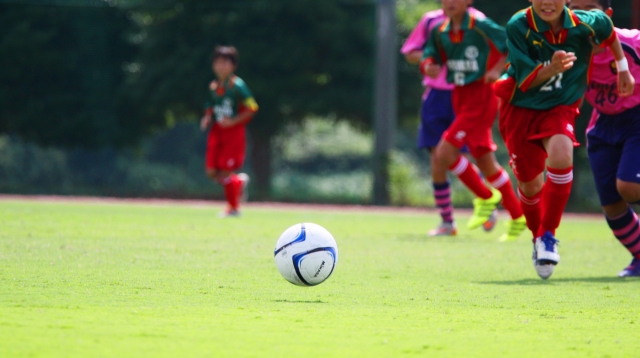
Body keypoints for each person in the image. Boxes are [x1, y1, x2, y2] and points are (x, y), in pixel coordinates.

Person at [494, 0, 634, 279]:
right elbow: (526, 80)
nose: (548, 3)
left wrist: (622, 68)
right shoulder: (518, 25)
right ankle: (537, 237)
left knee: (561, 155)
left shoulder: (582, 21)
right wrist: (552, 69)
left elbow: (608, 31)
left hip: (559, 106)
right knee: (531, 184)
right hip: (520, 107)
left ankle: (548, 235)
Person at [421, 0, 526, 242]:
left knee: (444, 153)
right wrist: (429, 66)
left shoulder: (479, 24)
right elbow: (430, 54)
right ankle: (518, 215)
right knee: (485, 161)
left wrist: (498, 68)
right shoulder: (441, 30)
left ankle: (486, 197)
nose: (450, 2)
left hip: (481, 95)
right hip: (459, 95)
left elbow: (511, 44)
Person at [401, 6, 498, 237]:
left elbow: (495, 52)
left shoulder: (478, 20)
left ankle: (486, 199)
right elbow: (411, 52)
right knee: (437, 159)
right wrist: (428, 61)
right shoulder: (430, 20)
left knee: (471, 156)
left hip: (468, 95)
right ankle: (447, 222)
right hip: (436, 97)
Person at [568, 0, 640, 277]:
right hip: (602, 124)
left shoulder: (631, 43)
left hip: (635, 119)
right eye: (575, 9)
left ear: (608, 15)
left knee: (630, 187)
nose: (583, 16)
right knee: (612, 205)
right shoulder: (566, 52)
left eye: (591, 8)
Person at [200, 46, 258, 217]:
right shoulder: (213, 86)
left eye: (225, 62)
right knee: (211, 171)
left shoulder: (238, 86)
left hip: (233, 133)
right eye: (218, 62)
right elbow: (210, 106)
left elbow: (252, 107)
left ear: (233, 66)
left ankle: (234, 208)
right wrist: (207, 117)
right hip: (217, 132)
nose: (221, 66)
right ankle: (238, 182)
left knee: (226, 170)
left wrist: (233, 121)